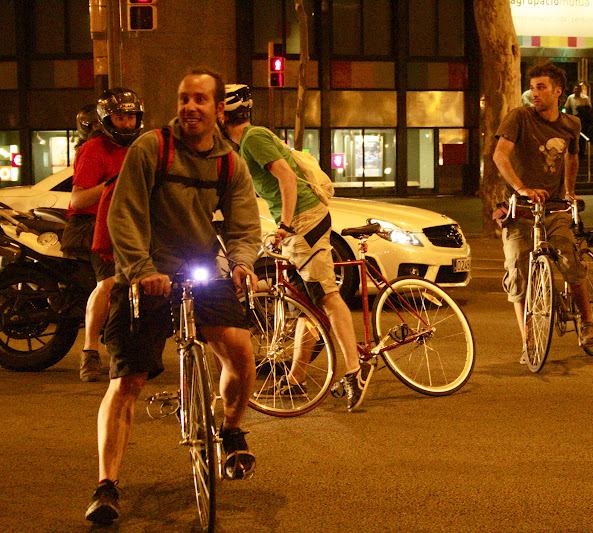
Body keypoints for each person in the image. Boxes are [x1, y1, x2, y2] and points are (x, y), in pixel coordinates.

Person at [85, 69, 262, 525]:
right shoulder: (152, 148)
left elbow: (244, 226)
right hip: (145, 272)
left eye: (201, 100)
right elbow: (124, 215)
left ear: (219, 109)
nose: (190, 107)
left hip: (200, 266)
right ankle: (106, 486)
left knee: (241, 352)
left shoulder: (229, 162)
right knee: (127, 380)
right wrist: (142, 270)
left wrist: (243, 264)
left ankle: (232, 431)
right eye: (184, 98)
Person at [221, 83, 372, 412]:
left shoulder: (252, 139)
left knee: (328, 296)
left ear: (224, 115)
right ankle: (296, 377)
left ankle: (352, 372)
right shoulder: (241, 146)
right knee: (303, 300)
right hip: (296, 223)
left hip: (304, 221)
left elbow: (286, 178)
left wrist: (285, 225)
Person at [492, 62, 593, 362]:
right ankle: (528, 339)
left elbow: (572, 157)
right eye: (533, 87)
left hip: (554, 208)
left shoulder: (571, 125)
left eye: (542, 87)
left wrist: (569, 190)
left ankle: (588, 323)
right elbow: (500, 156)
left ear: (558, 92)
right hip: (520, 209)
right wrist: (521, 187)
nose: (535, 93)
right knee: (517, 270)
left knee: (568, 257)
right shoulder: (519, 118)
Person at [63, 89, 144, 382]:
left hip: (124, 224)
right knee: (108, 283)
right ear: (107, 120)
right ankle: (89, 352)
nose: (126, 124)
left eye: (131, 117)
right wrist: (112, 184)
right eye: (120, 118)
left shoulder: (139, 148)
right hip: (90, 225)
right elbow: (78, 199)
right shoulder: (94, 149)